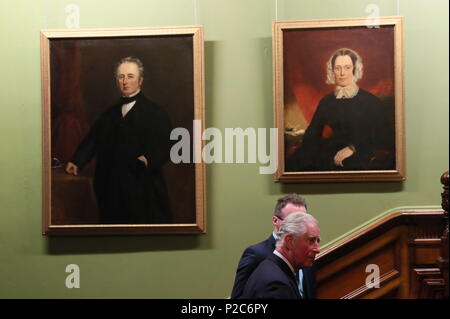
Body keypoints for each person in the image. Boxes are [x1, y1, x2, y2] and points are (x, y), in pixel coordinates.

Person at [65, 56, 173, 224]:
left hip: (143, 187)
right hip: (110, 186)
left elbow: (168, 145)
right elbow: (93, 138)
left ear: (140, 80)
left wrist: (148, 159)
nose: (125, 81)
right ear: (117, 81)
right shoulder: (109, 114)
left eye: (130, 76)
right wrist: (77, 160)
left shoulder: (156, 112)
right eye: (121, 77)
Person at [286, 48, 394, 171]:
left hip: (362, 153)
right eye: (338, 68)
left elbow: (384, 138)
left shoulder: (371, 101)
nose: (342, 73)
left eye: (347, 67)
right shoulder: (327, 101)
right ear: (332, 71)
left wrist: (353, 148)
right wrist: (307, 152)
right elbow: (312, 134)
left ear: (355, 69)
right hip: (331, 152)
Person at [231, 194, 317, 299]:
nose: (301, 227)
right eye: (293, 221)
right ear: (275, 221)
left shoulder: (307, 254)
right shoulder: (256, 254)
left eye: (304, 221)